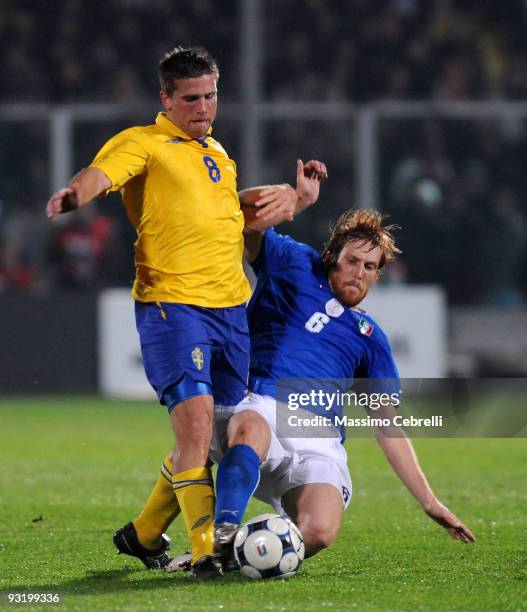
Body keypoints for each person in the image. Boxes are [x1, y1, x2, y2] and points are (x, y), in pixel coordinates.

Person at [46, 45, 327, 577]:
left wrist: (297, 198)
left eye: (211, 96)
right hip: (173, 306)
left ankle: (145, 533)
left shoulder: (217, 154)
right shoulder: (146, 144)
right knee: (196, 430)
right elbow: (100, 173)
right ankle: (206, 552)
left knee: (213, 438)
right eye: (191, 99)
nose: (203, 108)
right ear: (166, 99)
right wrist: (74, 195)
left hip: (231, 311)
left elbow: (231, 215)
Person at [205, 208, 475, 565]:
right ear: (332, 256)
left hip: (320, 437)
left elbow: (387, 425)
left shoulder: (370, 337)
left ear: (378, 274)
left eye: (369, 267)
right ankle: (220, 536)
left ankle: (244, 554)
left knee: (319, 531)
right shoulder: (294, 263)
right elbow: (244, 225)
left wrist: (430, 501)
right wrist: (294, 200)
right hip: (261, 404)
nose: (358, 273)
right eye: (353, 261)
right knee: (250, 427)